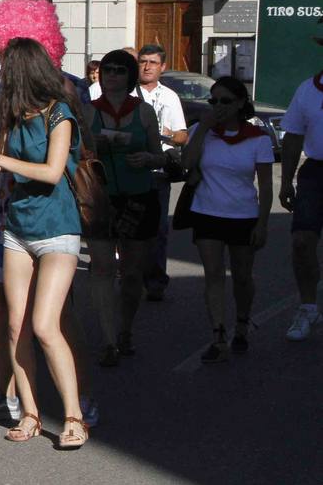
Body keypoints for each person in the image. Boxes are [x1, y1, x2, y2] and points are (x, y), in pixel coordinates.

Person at [0, 37, 88, 451]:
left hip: (58, 228)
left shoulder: (59, 114)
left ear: (21, 72)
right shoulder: (14, 117)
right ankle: (30, 412)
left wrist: (0, 161)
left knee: (44, 325)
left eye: (3, 67)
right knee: (15, 325)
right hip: (17, 228)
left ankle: (73, 415)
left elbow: (52, 172)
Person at [179, 77, 273, 360]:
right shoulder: (202, 131)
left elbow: (266, 186)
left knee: (242, 277)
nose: (218, 106)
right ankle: (218, 334)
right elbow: (186, 164)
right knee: (214, 274)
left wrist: (263, 223)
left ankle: (242, 323)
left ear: (241, 103)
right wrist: (204, 126)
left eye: (225, 101)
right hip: (207, 212)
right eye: (214, 101)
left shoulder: (258, 139)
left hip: (243, 215)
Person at [83, 49, 165, 366]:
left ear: (130, 76)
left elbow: (160, 156)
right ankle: (108, 340)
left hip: (138, 197)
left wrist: (147, 158)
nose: (112, 74)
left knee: (132, 274)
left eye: (119, 70)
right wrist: (94, 148)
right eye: (107, 69)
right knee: (103, 268)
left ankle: (125, 330)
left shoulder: (144, 112)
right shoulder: (89, 112)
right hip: (101, 199)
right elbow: (78, 154)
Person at [135, 43, 188, 301]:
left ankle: (155, 280)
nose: (147, 67)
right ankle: (130, 274)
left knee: (157, 228)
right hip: (130, 167)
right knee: (129, 225)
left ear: (162, 67)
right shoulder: (127, 93)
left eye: (153, 62)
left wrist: (167, 134)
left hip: (157, 169)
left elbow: (182, 135)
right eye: (143, 61)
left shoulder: (169, 97)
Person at [282, 51, 323, 340]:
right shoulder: (308, 88)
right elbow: (294, 136)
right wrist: (285, 181)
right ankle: (308, 308)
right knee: (301, 242)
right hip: (316, 172)